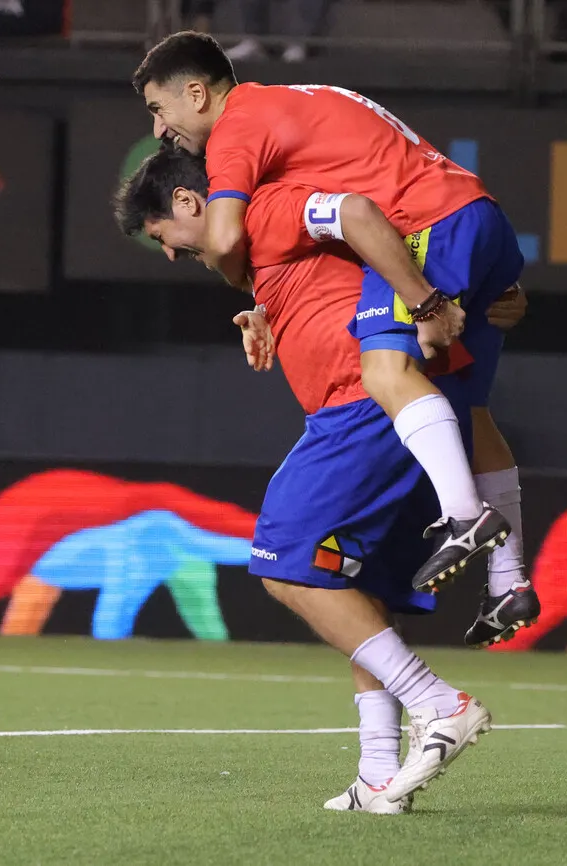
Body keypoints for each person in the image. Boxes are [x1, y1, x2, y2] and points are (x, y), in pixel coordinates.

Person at [113, 145, 529, 810]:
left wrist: (432, 303)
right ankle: (378, 773)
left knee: (284, 562)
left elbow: (368, 218)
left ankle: (437, 702)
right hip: (394, 410)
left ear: (190, 203)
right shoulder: (267, 251)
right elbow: (366, 260)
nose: (167, 254)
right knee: (352, 587)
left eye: (163, 235)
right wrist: (267, 311)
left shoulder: (274, 204)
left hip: (360, 408)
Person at [130, 33, 533, 637]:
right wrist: (270, 301)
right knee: (470, 411)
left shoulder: (238, 124)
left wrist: (425, 301)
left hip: (427, 222)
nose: (160, 128)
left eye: (159, 110)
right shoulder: (294, 102)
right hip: (475, 213)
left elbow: (223, 237)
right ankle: (510, 582)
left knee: (384, 371)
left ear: (196, 92)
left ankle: (462, 516)